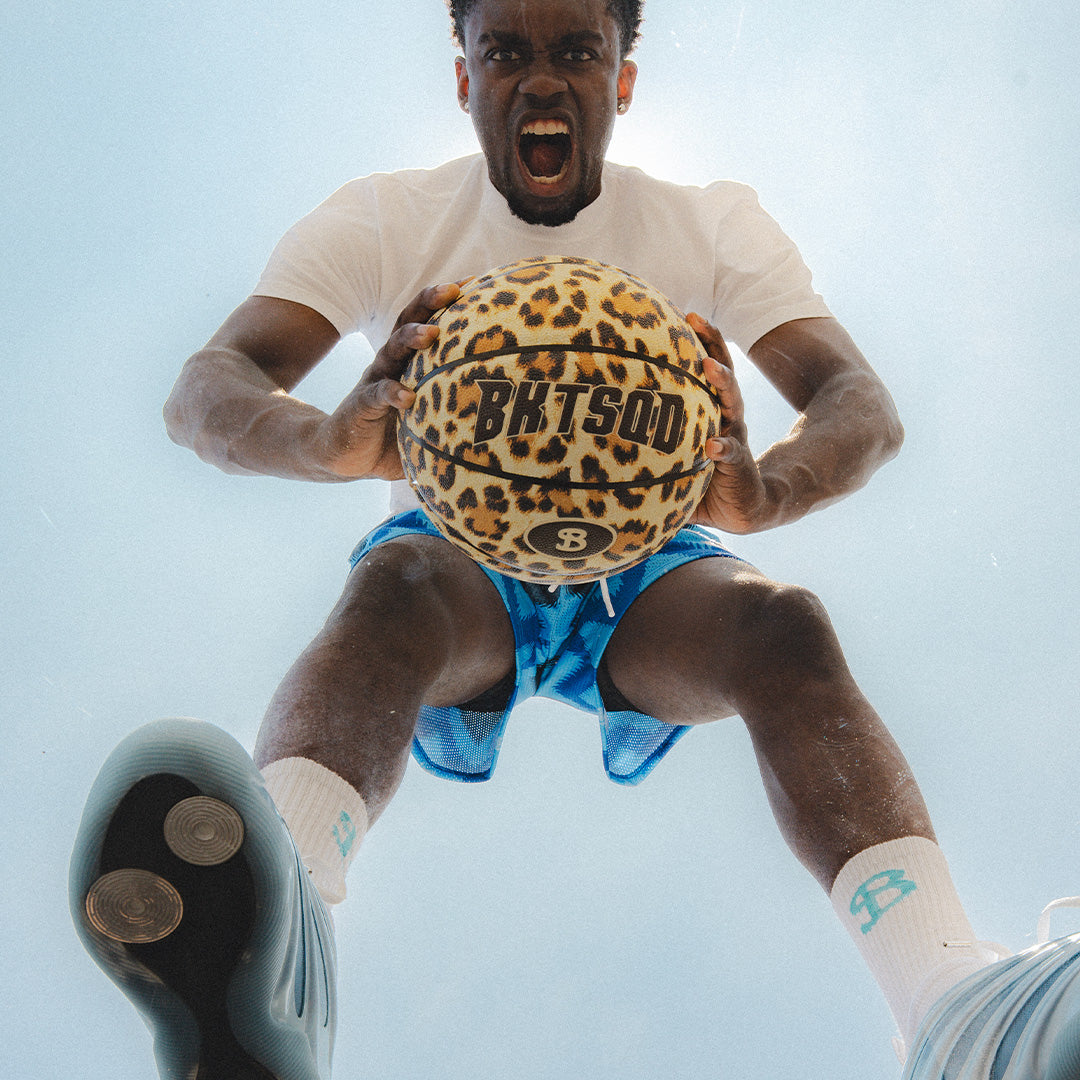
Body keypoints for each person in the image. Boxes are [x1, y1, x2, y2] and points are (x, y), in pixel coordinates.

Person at [69, 1, 1080, 1077]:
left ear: (622, 79)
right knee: (398, 581)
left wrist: (768, 493)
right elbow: (204, 391)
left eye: (576, 51)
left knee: (781, 626)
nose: (541, 79)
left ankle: (953, 1007)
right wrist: (328, 443)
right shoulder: (384, 219)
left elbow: (859, 402)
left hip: (644, 570)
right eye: (506, 50)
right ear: (465, 78)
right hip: (456, 555)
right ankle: (280, 942)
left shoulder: (708, 224)